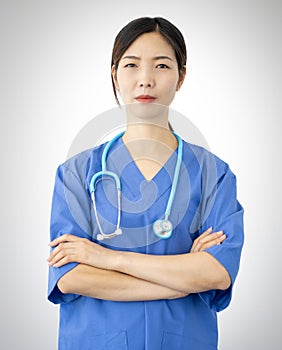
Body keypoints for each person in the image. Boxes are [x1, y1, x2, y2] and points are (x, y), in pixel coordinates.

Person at [47, 17, 244, 350]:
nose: (145, 80)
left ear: (181, 76)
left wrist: (107, 259)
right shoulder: (77, 173)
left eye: (162, 65)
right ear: (115, 74)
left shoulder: (213, 173)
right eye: (132, 65)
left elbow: (216, 274)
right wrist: (182, 281)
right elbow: (70, 277)